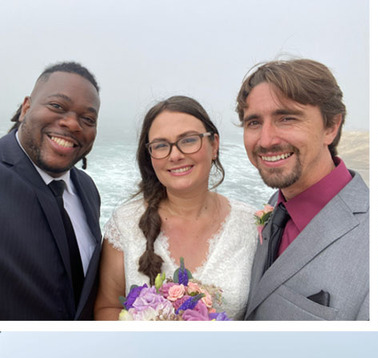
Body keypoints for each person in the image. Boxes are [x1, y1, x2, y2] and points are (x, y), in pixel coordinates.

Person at [93, 96, 257, 320]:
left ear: (214, 145)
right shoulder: (125, 223)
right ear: (150, 157)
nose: (176, 155)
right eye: (161, 145)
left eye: (188, 140)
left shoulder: (251, 224)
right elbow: (108, 307)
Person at [237, 58, 369, 321]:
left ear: (331, 126)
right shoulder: (274, 205)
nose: (266, 140)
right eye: (254, 122)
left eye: (286, 118)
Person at [0, 62, 102, 320]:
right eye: (57, 106)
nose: (72, 124)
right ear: (26, 108)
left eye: (87, 119)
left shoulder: (87, 189)